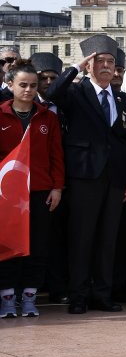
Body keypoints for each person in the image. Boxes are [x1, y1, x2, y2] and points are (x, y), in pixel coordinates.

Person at [47, 35, 126, 314]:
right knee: (82, 238)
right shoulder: (76, 93)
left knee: (107, 240)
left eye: (111, 62)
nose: (107, 66)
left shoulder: (122, 100)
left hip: (115, 178)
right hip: (85, 176)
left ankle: (102, 294)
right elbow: (52, 94)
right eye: (100, 61)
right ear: (89, 65)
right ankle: (78, 296)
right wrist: (76, 66)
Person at [0, 60, 64, 318]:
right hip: (8, 196)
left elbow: (56, 156)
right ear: (10, 85)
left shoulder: (47, 116)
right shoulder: (0, 114)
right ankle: (6, 299)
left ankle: (29, 298)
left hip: (40, 191)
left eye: (33, 85)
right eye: (22, 85)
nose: (28, 90)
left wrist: (57, 187)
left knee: (37, 247)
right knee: (9, 247)